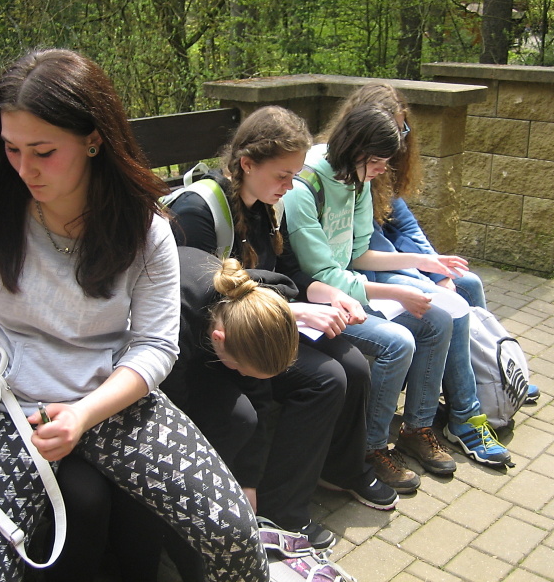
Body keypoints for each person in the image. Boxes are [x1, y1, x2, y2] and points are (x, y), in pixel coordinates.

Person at [0, 48, 268, 582]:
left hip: (111, 400)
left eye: (44, 151)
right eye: (11, 148)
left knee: (233, 531)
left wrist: (83, 414)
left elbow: (155, 346)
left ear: (93, 140)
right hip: (4, 407)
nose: (24, 168)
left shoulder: (144, 229)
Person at [168, 105, 397, 548]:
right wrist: (294, 313)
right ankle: (281, 509)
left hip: (265, 322)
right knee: (324, 380)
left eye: (294, 175)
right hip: (216, 344)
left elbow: (287, 270)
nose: (290, 186)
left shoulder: (268, 205)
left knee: (353, 365)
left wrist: (325, 294)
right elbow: (207, 305)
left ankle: (342, 471)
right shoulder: (200, 212)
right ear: (246, 164)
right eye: (283, 175)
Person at [283, 104, 512, 484]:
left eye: (385, 162)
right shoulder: (306, 186)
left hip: (348, 287)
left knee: (438, 320)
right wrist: (398, 292)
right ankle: (371, 448)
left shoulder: (357, 177)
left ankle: (416, 429)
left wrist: (427, 262)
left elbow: (358, 254)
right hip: (317, 299)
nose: (380, 171)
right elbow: (322, 274)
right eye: (375, 161)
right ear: (352, 149)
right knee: (398, 342)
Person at [339, 82, 538, 404]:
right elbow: (364, 249)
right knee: (445, 306)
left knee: (467, 282)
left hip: (387, 261)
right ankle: (466, 408)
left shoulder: (381, 167)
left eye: (402, 129)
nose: (400, 140)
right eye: (394, 130)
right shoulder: (351, 172)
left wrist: (439, 271)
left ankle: (492, 373)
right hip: (365, 270)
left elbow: (405, 225)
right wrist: (425, 276)